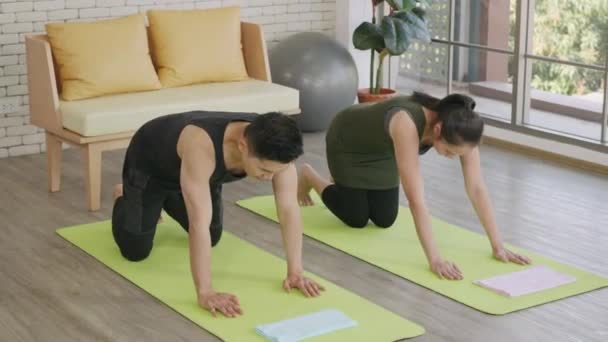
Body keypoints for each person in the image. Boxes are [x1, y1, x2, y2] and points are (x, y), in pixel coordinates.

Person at [112, 111, 324, 318]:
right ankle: (125, 194)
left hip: (200, 176)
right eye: (264, 170)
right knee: (135, 250)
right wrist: (205, 292)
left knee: (212, 236)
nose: (269, 178)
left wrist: (295, 271)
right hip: (151, 164)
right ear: (242, 146)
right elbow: (198, 224)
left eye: (275, 172)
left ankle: (174, 196)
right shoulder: (201, 145)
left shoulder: (277, 151)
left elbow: (288, 209)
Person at [297, 92, 531, 280]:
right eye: (449, 151)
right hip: (348, 140)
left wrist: (498, 245)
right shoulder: (406, 123)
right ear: (437, 130)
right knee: (356, 217)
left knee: (384, 218)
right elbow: (417, 200)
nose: (451, 157)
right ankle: (311, 177)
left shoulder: (464, 131)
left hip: (386, 151)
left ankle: (347, 185)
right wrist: (435, 259)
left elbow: (477, 188)